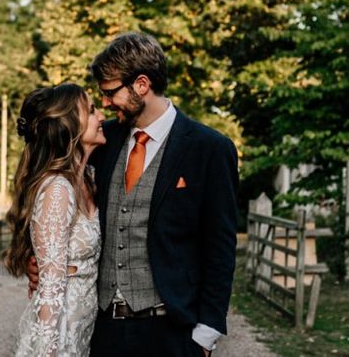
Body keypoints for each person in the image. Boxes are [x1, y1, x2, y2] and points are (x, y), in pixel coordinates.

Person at [30, 32, 238, 356]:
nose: (107, 104)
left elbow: (220, 246)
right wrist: (41, 262)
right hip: (103, 332)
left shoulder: (209, 149)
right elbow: (55, 199)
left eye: (110, 92)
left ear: (141, 85)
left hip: (172, 333)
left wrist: (206, 334)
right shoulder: (103, 140)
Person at [4, 83, 107, 357]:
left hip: (81, 330)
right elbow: (50, 289)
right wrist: (47, 350)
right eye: (93, 111)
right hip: (59, 336)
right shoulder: (58, 189)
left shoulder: (89, 179)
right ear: (70, 125)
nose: (102, 117)